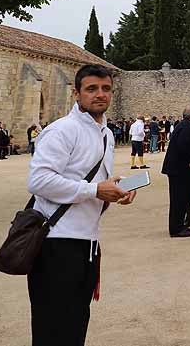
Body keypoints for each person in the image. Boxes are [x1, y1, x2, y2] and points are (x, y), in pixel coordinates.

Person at [26, 64, 136, 346]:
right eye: (91, 89)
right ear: (76, 93)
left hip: (87, 244)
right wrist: (95, 189)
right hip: (56, 245)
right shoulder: (62, 131)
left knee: (75, 327)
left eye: (106, 89)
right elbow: (38, 180)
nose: (100, 94)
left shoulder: (106, 134)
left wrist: (115, 191)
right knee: (53, 331)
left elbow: (92, 187)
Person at [162, 106, 190, 237]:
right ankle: (176, 229)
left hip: (178, 168)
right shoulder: (188, 127)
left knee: (182, 198)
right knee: (178, 199)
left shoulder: (184, 125)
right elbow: (182, 145)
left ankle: (180, 225)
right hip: (179, 169)